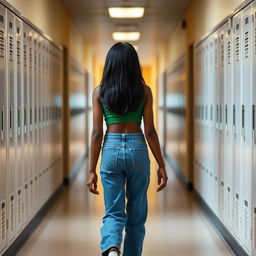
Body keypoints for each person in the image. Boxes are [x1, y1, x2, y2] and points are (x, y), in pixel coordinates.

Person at [86, 42, 168, 256]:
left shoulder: (99, 92)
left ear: (110, 65)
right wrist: (161, 164)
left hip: (110, 149)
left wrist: (91, 169)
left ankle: (112, 248)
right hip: (137, 149)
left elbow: (96, 133)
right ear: (134, 65)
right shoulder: (144, 91)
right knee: (137, 213)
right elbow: (150, 131)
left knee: (113, 211)